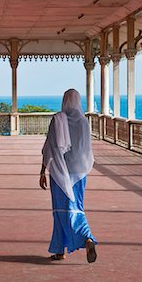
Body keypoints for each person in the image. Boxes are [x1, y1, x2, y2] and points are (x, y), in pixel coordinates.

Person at [39, 89, 97, 263]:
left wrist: (42, 171)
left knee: (59, 210)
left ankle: (78, 241)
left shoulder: (58, 119)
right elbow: (86, 150)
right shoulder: (83, 122)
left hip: (59, 172)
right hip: (79, 173)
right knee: (75, 207)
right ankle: (72, 244)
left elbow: (49, 148)